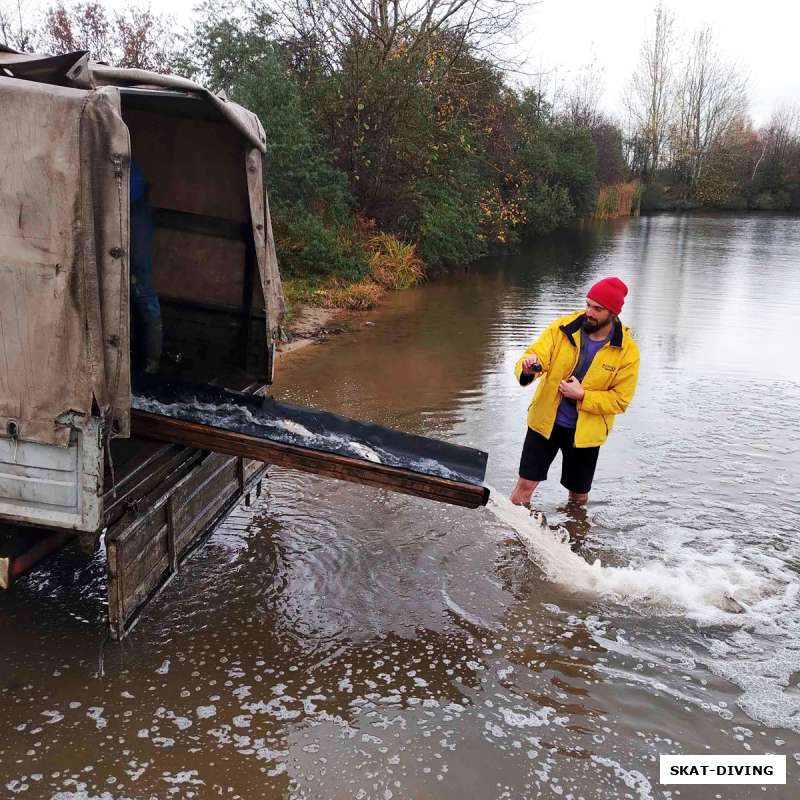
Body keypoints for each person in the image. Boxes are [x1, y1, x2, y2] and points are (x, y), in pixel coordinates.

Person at [510, 276, 640, 507]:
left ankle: (573, 539)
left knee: (578, 496)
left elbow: (620, 401)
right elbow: (536, 355)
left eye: (597, 308)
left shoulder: (627, 351)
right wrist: (530, 366)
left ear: (612, 313)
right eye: (588, 304)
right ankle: (511, 540)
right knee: (525, 486)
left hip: (585, 434)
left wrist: (583, 396)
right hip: (544, 424)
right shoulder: (562, 328)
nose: (589, 312)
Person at [130, 159, 162, 373]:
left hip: (134, 214)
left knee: (141, 289)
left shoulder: (127, 167)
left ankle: (151, 364)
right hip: (128, 213)